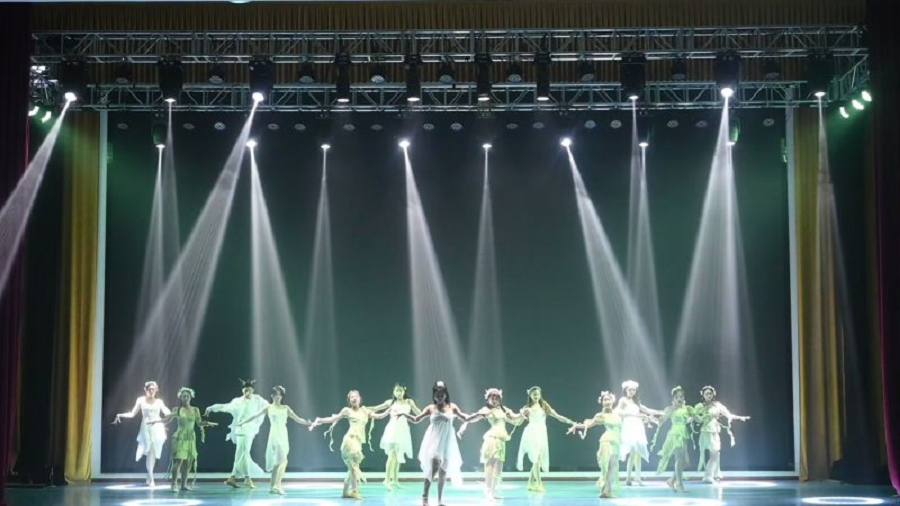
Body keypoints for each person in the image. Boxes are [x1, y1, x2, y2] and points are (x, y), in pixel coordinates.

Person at [308, 390, 391, 499]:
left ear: (360, 398)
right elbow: (333, 419)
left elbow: (379, 416)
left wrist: (389, 410)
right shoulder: (347, 410)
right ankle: (355, 491)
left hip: (358, 441)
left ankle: (345, 492)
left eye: (356, 396)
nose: (354, 398)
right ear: (349, 400)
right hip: (350, 440)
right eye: (352, 397)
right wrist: (320, 420)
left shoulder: (365, 410)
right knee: (353, 467)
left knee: (353, 468)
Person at [404, 381, 469, 506]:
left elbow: (464, 418)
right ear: (434, 395)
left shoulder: (452, 407)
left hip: (447, 442)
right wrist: (403, 414)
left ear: (445, 394)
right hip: (434, 441)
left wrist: (479, 415)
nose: (439, 396)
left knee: (443, 472)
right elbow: (416, 419)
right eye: (437, 393)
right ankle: (425, 496)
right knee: (434, 467)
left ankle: (440, 500)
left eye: (442, 393)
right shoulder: (430, 408)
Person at [239, 386, 311, 495]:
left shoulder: (286, 408)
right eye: (276, 394)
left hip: (283, 435)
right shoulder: (268, 408)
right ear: (272, 395)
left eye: (280, 394)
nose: (278, 397)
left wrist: (307, 423)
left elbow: (297, 418)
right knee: (282, 460)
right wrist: (242, 422)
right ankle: (277, 486)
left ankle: (274, 486)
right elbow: (255, 416)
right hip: (274, 435)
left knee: (281, 462)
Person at [458, 388, 525, 500]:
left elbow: (515, 419)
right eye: (492, 397)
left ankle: (492, 491)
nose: (494, 399)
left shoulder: (504, 410)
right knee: (490, 465)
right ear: (488, 399)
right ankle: (488, 490)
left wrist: (522, 414)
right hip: (492, 439)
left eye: (496, 397)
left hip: (501, 440)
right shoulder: (486, 410)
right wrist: (464, 422)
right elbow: (473, 417)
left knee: (498, 467)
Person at [205, 379, 270, 488]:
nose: (247, 391)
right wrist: (211, 408)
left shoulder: (258, 400)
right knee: (244, 453)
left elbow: (269, 407)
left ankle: (233, 477)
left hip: (249, 431)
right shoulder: (238, 401)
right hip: (241, 430)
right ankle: (247, 478)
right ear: (242, 390)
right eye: (245, 390)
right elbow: (225, 407)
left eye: (249, 389)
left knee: (240, 454)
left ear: (252, 390)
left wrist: (279, 409)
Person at [152, 387, 217, 492]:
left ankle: (183, 485)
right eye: (183, 396)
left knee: (188, 463)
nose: (186, 398)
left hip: (190, 438)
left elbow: (199, 423)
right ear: (180, 398)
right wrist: (156, 421)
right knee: (179, 461)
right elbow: (167, 420)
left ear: (190, 397)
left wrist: (207, 423)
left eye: (187, 396)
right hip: (180, 437)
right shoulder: (177, 409)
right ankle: (174, 484)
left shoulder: (195, 410)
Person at [516, 386, 575, 492]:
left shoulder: (544, 405)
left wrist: (570, 422)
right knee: (536, 458)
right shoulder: (527, 407)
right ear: (530, 395)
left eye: (538, 394)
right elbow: (519, 420)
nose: (536, 396)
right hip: (532, 433)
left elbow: (557, 416)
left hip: (541, 433)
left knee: (537, 458)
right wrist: (519, 415)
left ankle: (530, 483)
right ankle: (538, 483)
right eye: (534, 394)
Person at [113, 381, 171, 487]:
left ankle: (149, 477)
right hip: (145, 427)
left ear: (156, 390)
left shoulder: (159, 402)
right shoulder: (140, 400)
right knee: (149, 450)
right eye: (150, 389)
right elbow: (132, 414)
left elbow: (167, 412)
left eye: (153, 389)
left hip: (156, 427)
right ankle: (151, 478)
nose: (152, 391)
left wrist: (173, 414)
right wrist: (120, 415)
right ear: (145, 390)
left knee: (152, 452)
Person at [567, 390, 623, 499]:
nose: (607, 402)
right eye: (605, 400)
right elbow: (588, 425)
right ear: (602, 402)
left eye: (609, 399)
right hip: (607, 441)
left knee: (613, 467)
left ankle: (606, 491)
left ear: (613, 400)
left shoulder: (617, 414)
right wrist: (576, 426)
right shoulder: (600, 415)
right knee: (607, 467)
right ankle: (606, 491)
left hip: (616, 442)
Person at [694, 385, 750, 483]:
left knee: (716, 453)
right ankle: (708, 476)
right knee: (714, 454)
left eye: (710, 393)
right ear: (703, 395)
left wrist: (740, 418)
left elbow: (728, 414)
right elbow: (693, 416)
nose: (709, 395)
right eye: (707, 394)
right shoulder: (700, 406)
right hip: (706, 431)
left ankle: (714, 473)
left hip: (715, 431)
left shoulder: (718, 405)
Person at [373, 383, 421, 489]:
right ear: (393, 392)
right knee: (392, 454)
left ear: (404, 391)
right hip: (392, 430)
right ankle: (386, 480)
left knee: (399, 455)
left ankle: (395, 480)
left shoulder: (409, 402)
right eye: (397, 391)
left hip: (403, 430)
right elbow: (376, 408)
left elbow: (418, 412)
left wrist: (425, 413)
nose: (399, 393)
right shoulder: (390, 402)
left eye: (400, 390)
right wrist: (363, 408)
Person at [617, 380, 663, 486]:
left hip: (637, 426)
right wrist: (634, 415)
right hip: (629, 426)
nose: (632, 392)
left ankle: (637, 477)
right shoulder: (623, 400)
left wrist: (660, 412)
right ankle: (628, 478)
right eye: (630, 390)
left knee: (638, 454)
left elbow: (647, 410)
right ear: (626, 390)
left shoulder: (636, 401)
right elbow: (618, 411)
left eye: (633, 390)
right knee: (632, 453)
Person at [652, 386, 697, 493]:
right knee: (679, 460)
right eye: (677, 397)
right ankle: (679, 485)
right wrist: (652, 419)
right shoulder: (670, 409)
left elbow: (688, 420)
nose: (679, 399)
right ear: (673, 399)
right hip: (675, 434)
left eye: (681, 397)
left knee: (686, 462)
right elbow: (662, 420)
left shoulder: (686, 409)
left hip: (683, 434)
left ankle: (672, 480)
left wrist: (695, 417)